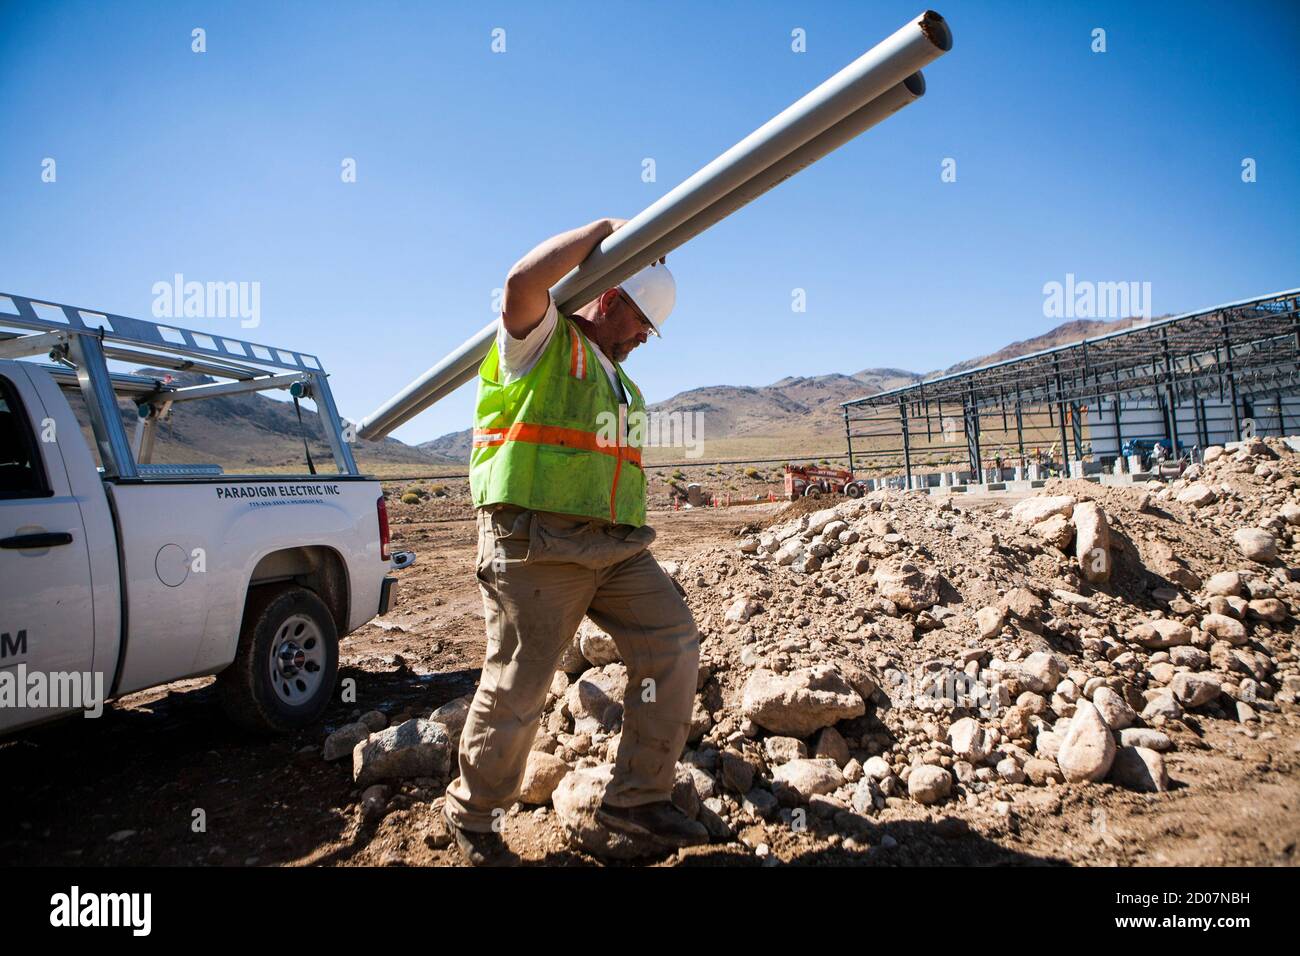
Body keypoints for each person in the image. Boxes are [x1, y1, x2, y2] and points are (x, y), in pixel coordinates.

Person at [441, 218, 705, 865]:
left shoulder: (619, 380)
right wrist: (608, 232)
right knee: (519, 686)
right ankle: (474, 820)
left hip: (616, 549)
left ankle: (636, 800)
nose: (646, 338)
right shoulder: (539, 343)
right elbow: (520, 282)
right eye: (642, 322)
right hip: (538, 545)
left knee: (672, 642)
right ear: (611, 299)